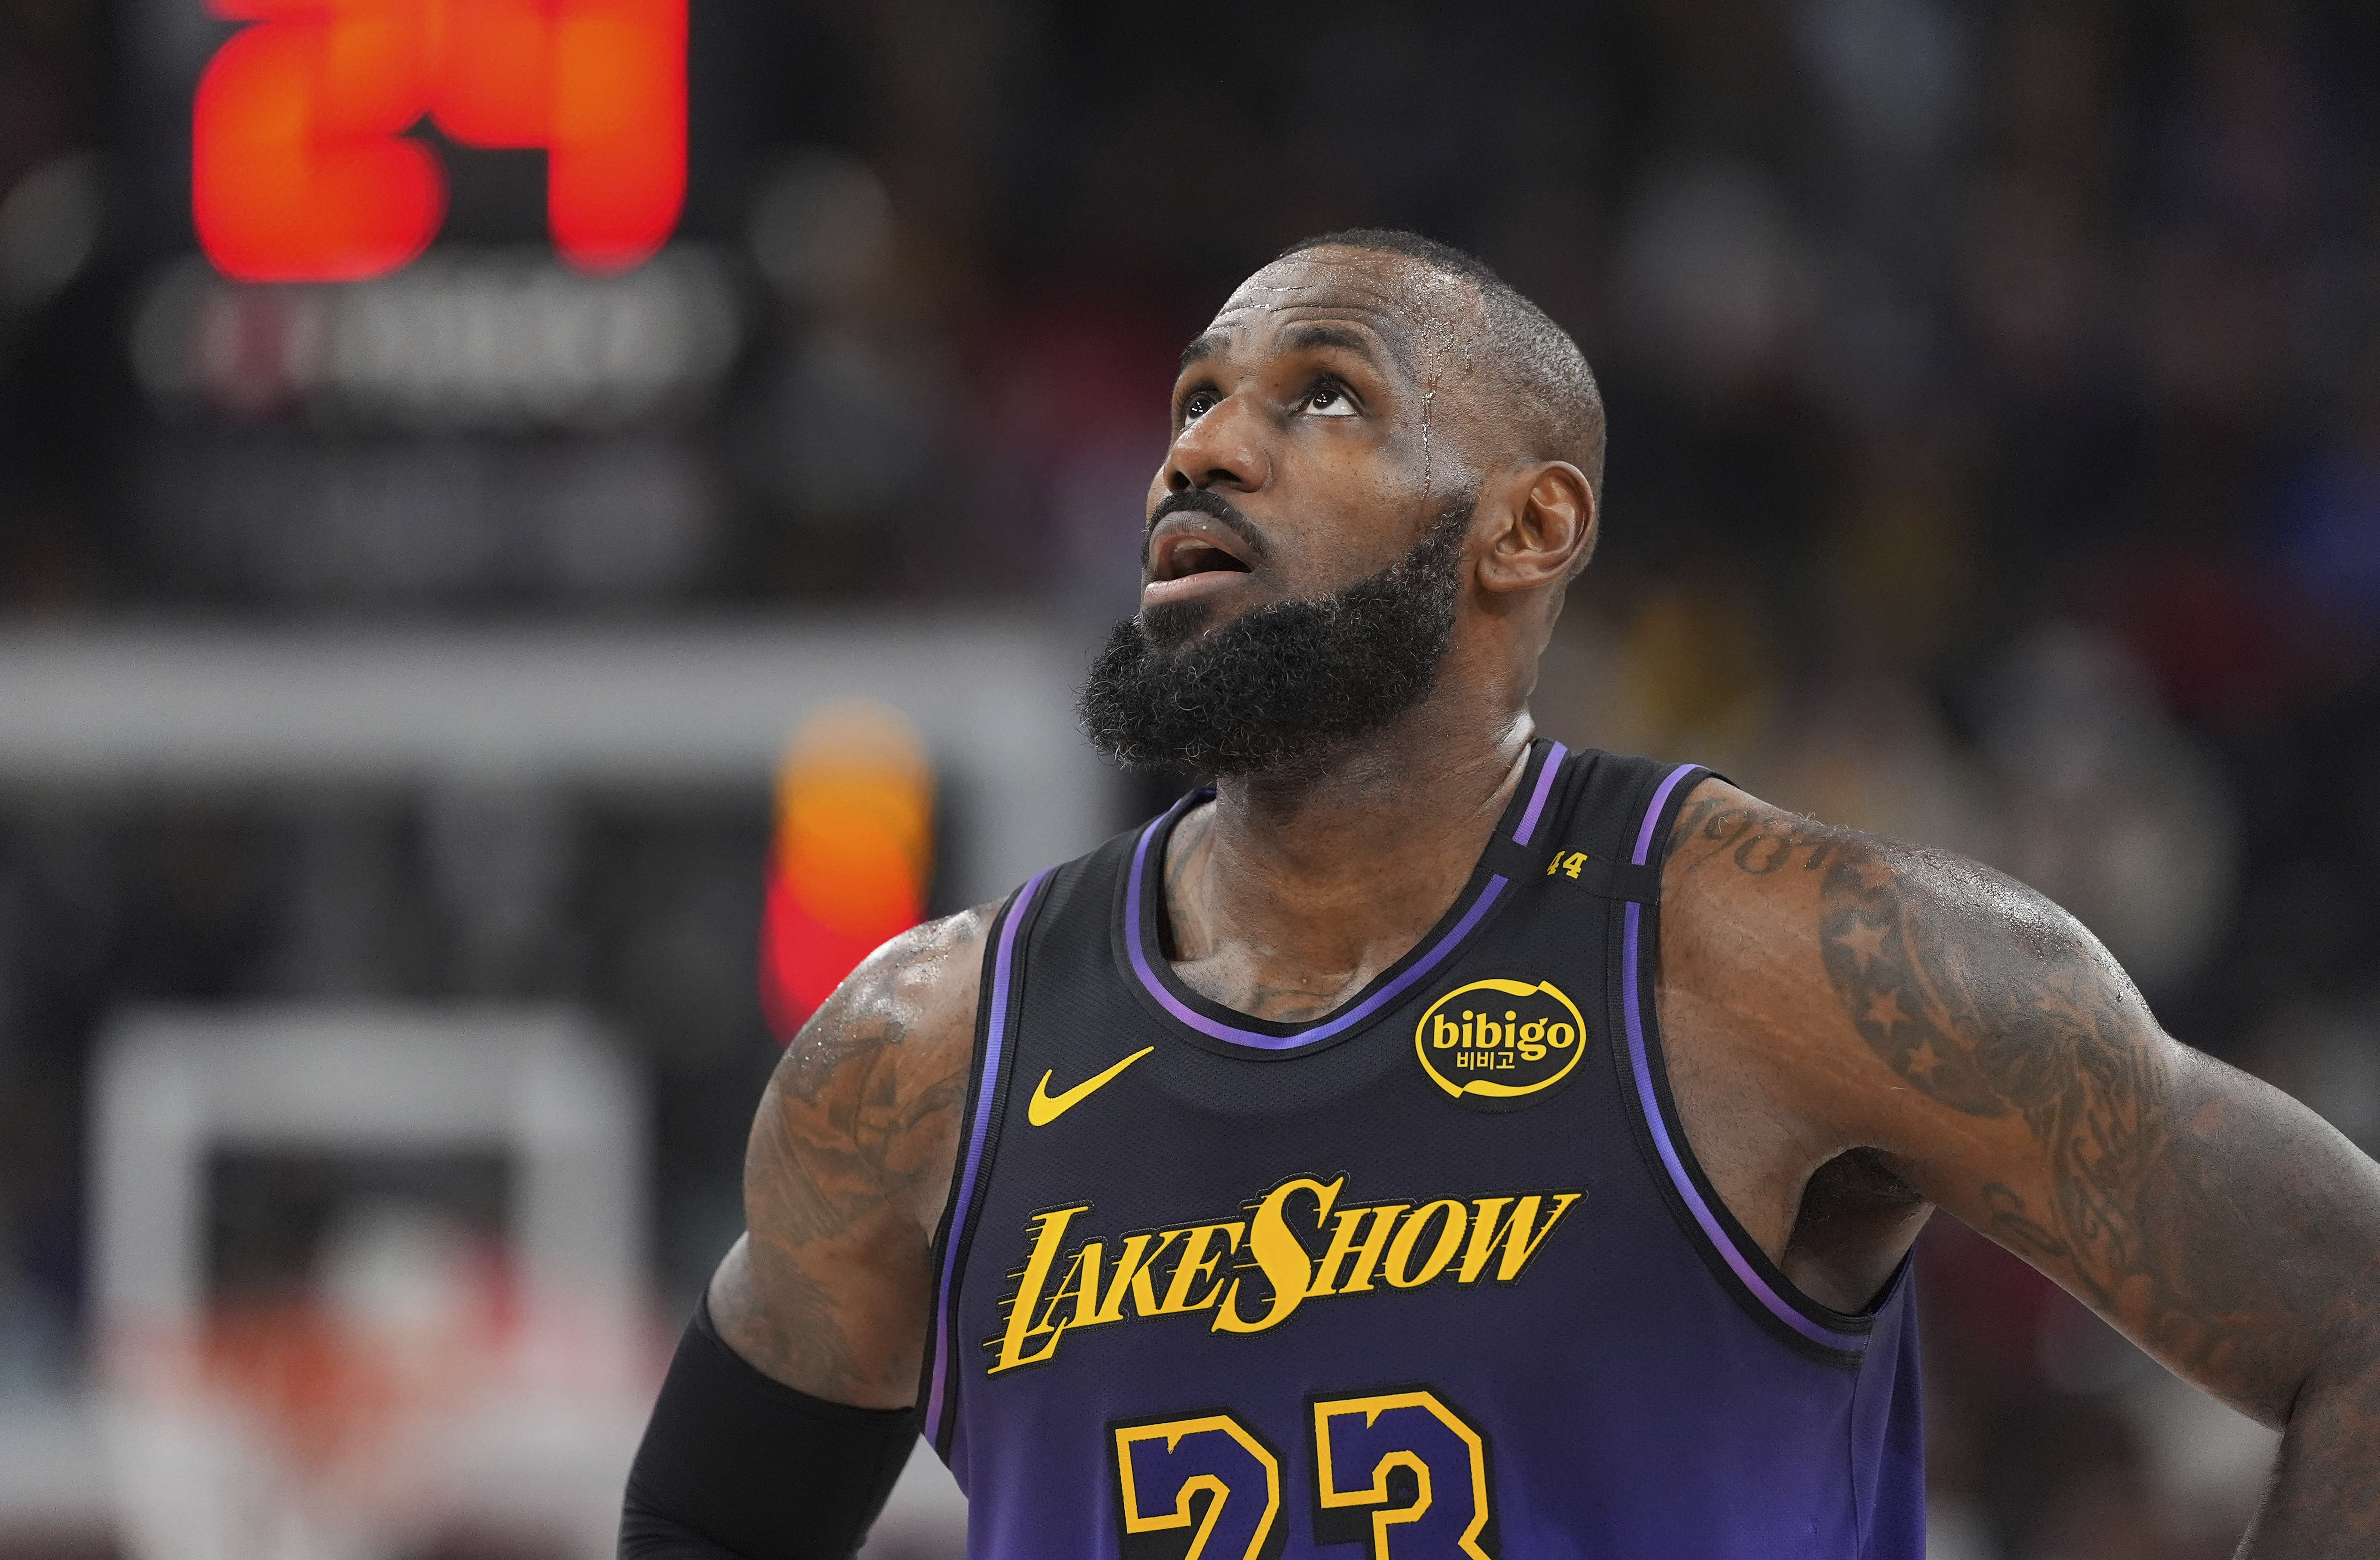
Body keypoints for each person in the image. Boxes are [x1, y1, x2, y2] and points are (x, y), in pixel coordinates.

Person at [620, 231, 2380, 1558]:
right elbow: (709, 1523)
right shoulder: (919, 1055)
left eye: (1324, 395)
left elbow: (2353, 1321)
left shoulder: (1794, 958)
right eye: (1193, 403)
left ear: (1525, 528)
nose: (1206, 451)